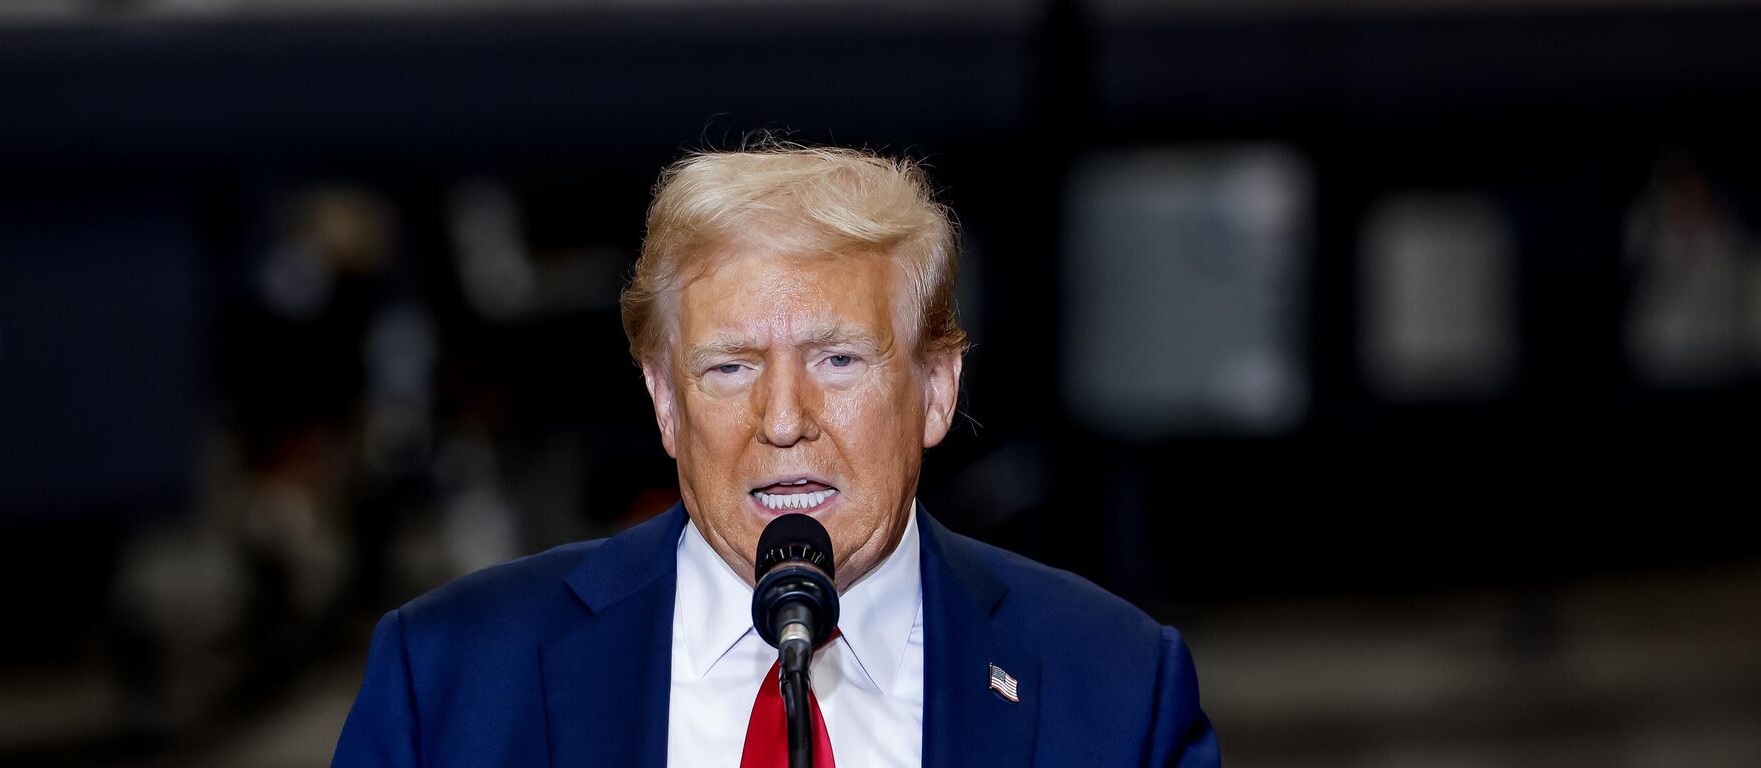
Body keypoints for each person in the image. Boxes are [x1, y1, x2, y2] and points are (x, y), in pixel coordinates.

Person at [331, 144, 1220, 767]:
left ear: (938, 388)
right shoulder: (448, 680)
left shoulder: (1113, 688)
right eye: (730, 368)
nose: (785, 419)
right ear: (666, 402)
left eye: (838, 360)